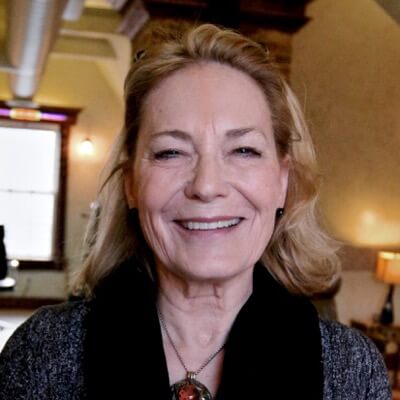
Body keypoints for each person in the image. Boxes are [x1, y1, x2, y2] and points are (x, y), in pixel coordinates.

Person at [0, 24, 390, 400]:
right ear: (131, 184)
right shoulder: (42, 352)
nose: (206, 185)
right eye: (171, 152)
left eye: (243, 150)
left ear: (282, 181)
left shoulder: (351, 370)